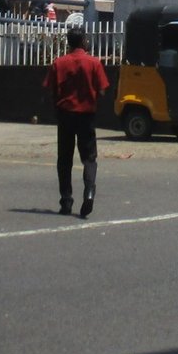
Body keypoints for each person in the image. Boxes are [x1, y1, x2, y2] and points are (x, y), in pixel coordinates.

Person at [43, 27, 110, 218]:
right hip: (86, 115)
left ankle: (66, 201)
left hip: (64, 114)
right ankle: (89, 191)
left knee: (64, 159)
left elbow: (50, 89)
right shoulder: (94, 63)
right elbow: (103, 89)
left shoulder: (59, 63)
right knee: (89, 158)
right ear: (83, 41)